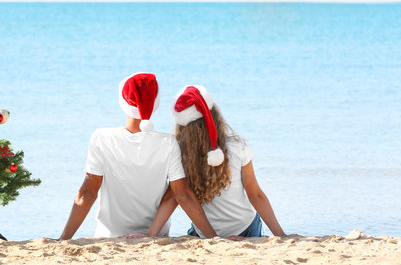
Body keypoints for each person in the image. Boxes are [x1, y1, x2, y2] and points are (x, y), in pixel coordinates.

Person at [59, 74, 217, 240]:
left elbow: (87, 194)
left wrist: (64, 239)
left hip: (108, 238)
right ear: (155, 104)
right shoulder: (168, 143)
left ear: (123, 102)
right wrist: (214, 238)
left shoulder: (101, 137)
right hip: (155, 237)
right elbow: (182, 195)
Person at [142, 85, 291, 238]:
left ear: (181, 124)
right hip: (245, 228)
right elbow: (256, 196)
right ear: (214, 116)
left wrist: (150, 234)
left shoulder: (179, 153)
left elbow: (172, 197)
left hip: (207, 234)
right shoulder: (237, 146)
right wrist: (281, 235)